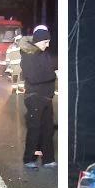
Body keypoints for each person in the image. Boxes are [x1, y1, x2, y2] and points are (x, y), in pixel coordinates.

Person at [20, 25, 56, 168]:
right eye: (45, 42)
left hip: (46, 97)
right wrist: (54, 75)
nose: (47, 45)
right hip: (34, 97)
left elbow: (47, 69)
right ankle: (29, 159)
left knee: (48, 129)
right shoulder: (28, 54)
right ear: (38, 40)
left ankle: (48, 159)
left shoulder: (43, 53)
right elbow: (33, 77)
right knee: (34, 129)